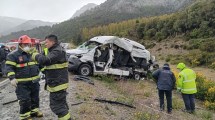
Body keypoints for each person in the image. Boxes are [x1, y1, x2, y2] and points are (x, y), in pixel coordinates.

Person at [32, 34, 71, 120]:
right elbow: (45, 62)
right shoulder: (50, 50)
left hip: (58, 84)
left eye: (46, 42)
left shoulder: (58, 51)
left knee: (57, 107)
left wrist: (34, 54)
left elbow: (46, 60)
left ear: (53, 42)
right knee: (61, 104)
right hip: (56, 82)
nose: (45, 44)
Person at [5, 35, 43, 120]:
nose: (27, 46)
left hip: (34, 82)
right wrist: (12, 78)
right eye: (25, 44)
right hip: (22, 84)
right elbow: (9, 68)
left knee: (35, 98)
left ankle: (34, 111)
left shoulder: (32, 54)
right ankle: (25, 116)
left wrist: (43, 72)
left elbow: (39, 64)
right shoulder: (13, 55)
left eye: (28, 44)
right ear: (20, 44)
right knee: (25, 100)